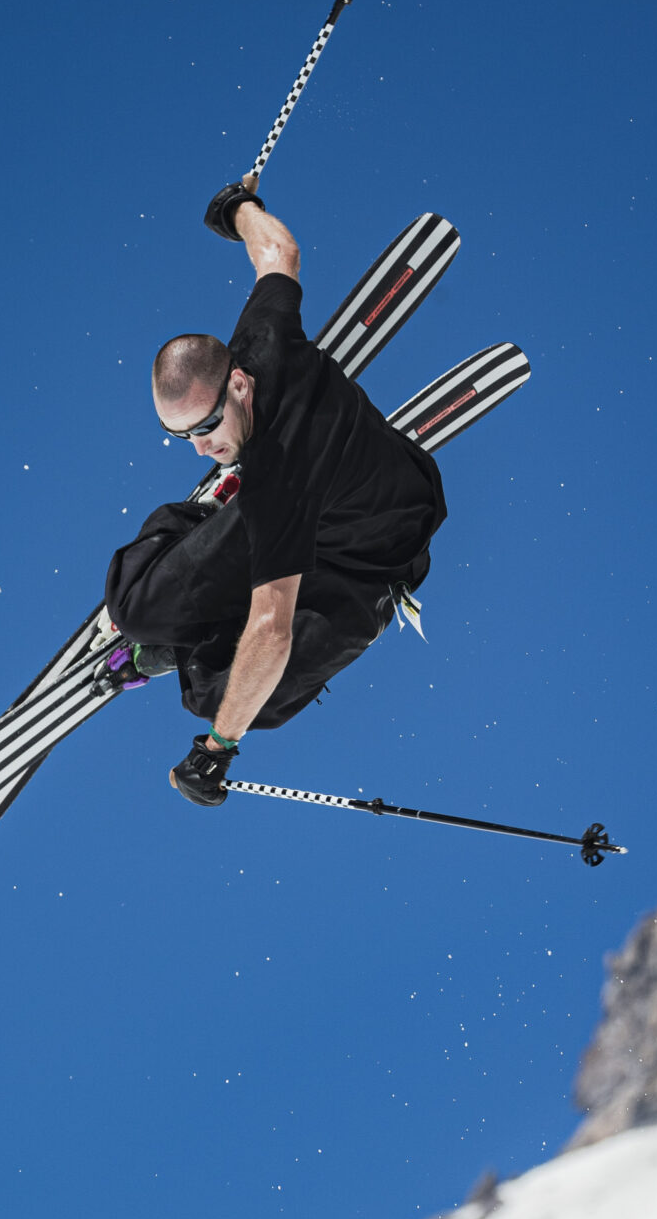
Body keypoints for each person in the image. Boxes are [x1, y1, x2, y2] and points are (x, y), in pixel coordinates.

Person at [99, 185, 447, 807]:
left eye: (206, 428)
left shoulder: (280, 480)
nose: (199, 449)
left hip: (367, 568)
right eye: (179, 435)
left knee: (219, 694)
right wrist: (238, 210)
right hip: (348, 496)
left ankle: (185, 642)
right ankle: (192, 561)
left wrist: (217, 748)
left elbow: (273, 630)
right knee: (134, 607)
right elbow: (278, 253)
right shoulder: (262, 338)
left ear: (236, 384)